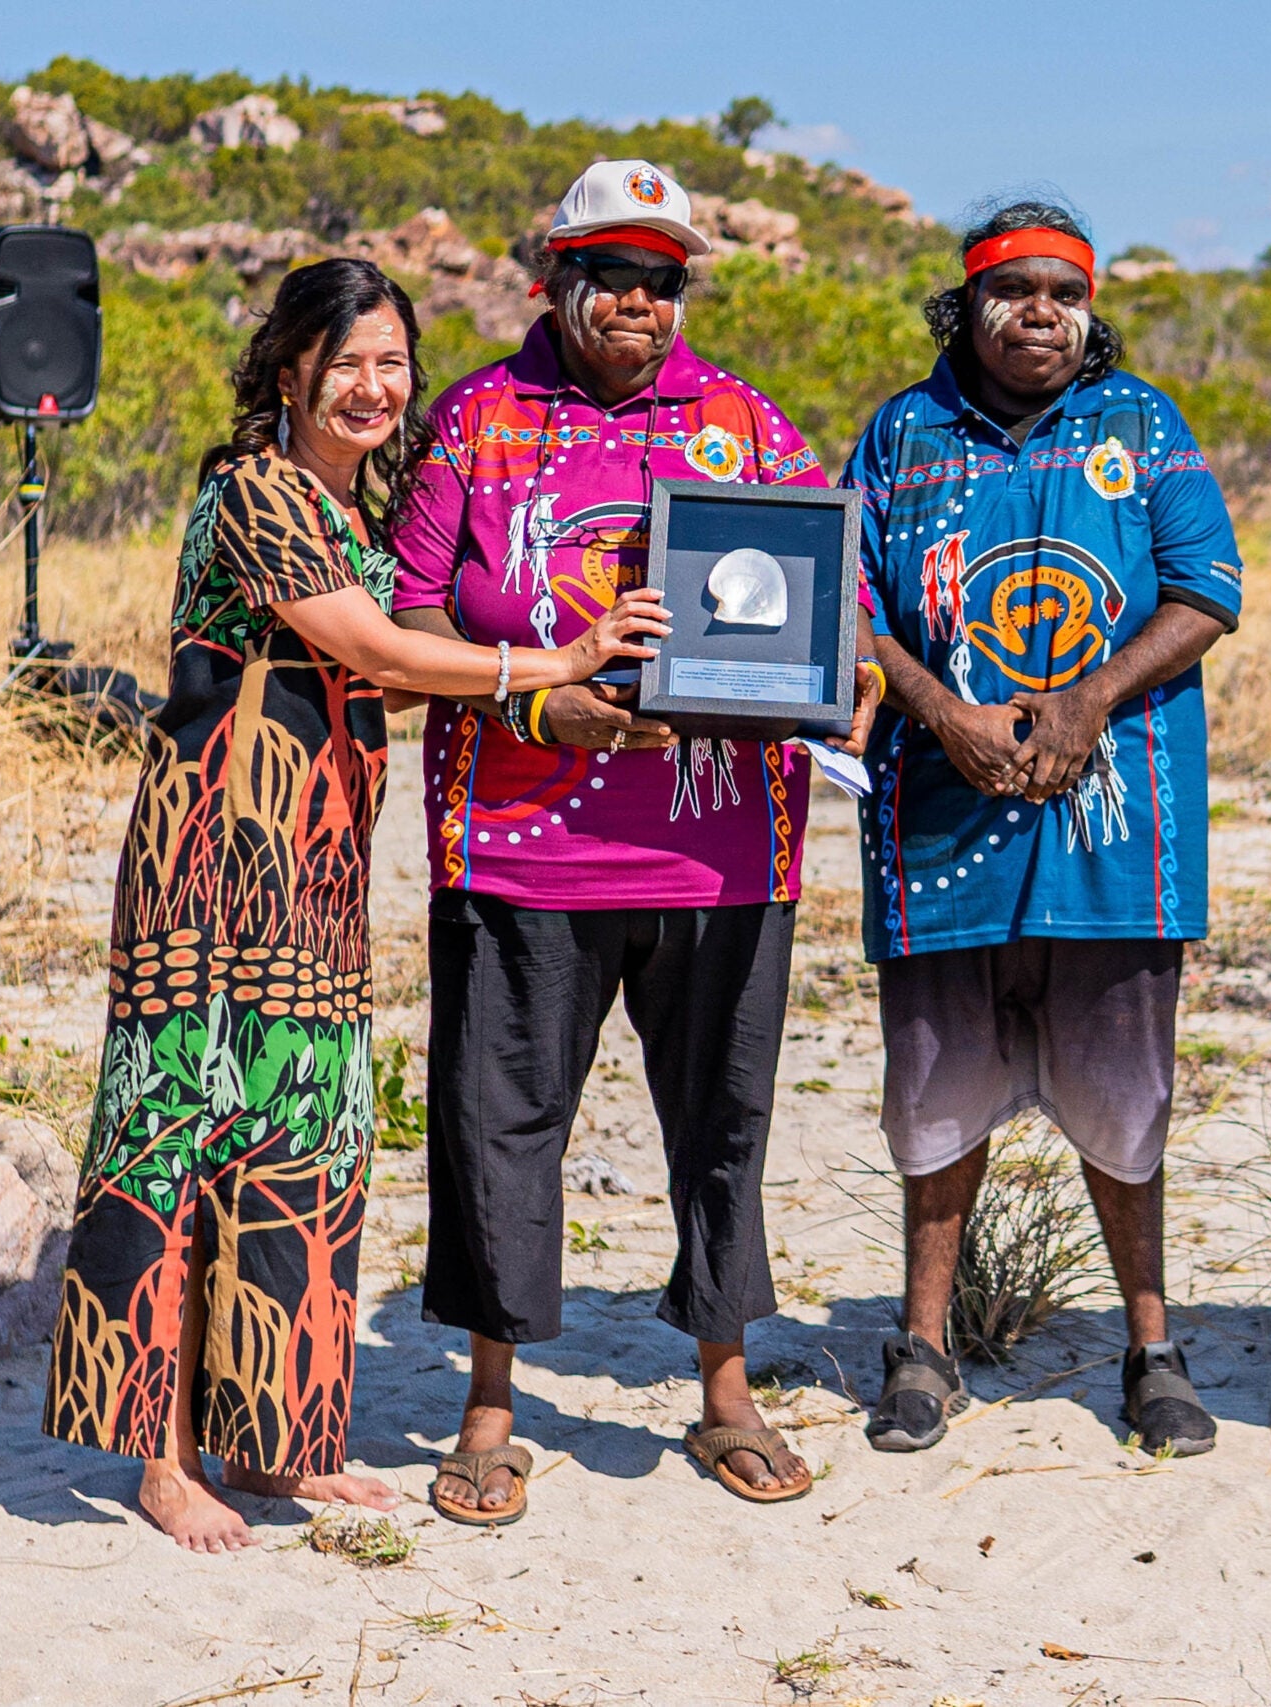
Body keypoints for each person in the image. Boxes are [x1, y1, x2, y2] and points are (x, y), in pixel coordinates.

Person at [44, 258, 667, 1552]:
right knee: (188, 1136)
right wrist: (554, 658)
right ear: (291, 373)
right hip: (215, 854)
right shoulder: (258, 493)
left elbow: (398, 671)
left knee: (301, 1137)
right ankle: (162, 1458)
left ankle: (273, 1442)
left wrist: (576, 677)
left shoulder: (343, 512)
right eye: (351, 364)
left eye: (396, 363)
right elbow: (382, 654)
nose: (377, 387)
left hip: (318, 857)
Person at [390, 160, 878, 1521]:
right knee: (502, 1122)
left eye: (663, 277)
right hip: (517, 846)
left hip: (723, 854)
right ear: (548, 274)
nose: (637, 299)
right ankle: (490, 1399)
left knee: (721, 1118)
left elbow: (825, 600)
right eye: (608, 270)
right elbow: (415, 618)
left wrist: (839, 674)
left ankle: (725, 1386)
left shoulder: (746, 423)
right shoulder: (480, 420)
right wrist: (546, 695)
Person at [843, 198, 1241, 1458]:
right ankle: (923, 1345)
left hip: (1111, 834)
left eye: (1063, 294)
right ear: (965, 307)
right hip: (941, 822)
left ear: (1089, 309)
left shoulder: (1143, 424)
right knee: (934, 1088)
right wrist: (937, 708)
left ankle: (1150, 1346)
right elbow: (845, 603)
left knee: (1127, 1097)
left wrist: (1087, 702)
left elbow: (1207, 588)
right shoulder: (899, 436)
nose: (1040, 315)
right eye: (1012, 292)